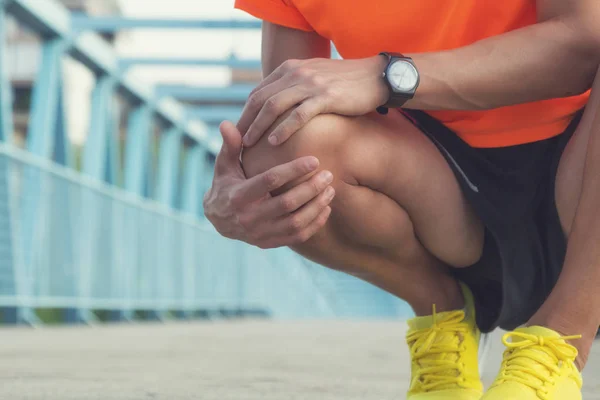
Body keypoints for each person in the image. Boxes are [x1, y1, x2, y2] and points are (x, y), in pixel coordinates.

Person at [203, 0, 600, 398]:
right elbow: (287, 106)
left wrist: (387, 75)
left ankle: (561, 341)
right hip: (440, 199)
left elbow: (583, 41)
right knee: (287, 154)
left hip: (581, 173)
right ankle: (442, 311)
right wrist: (246, 186)